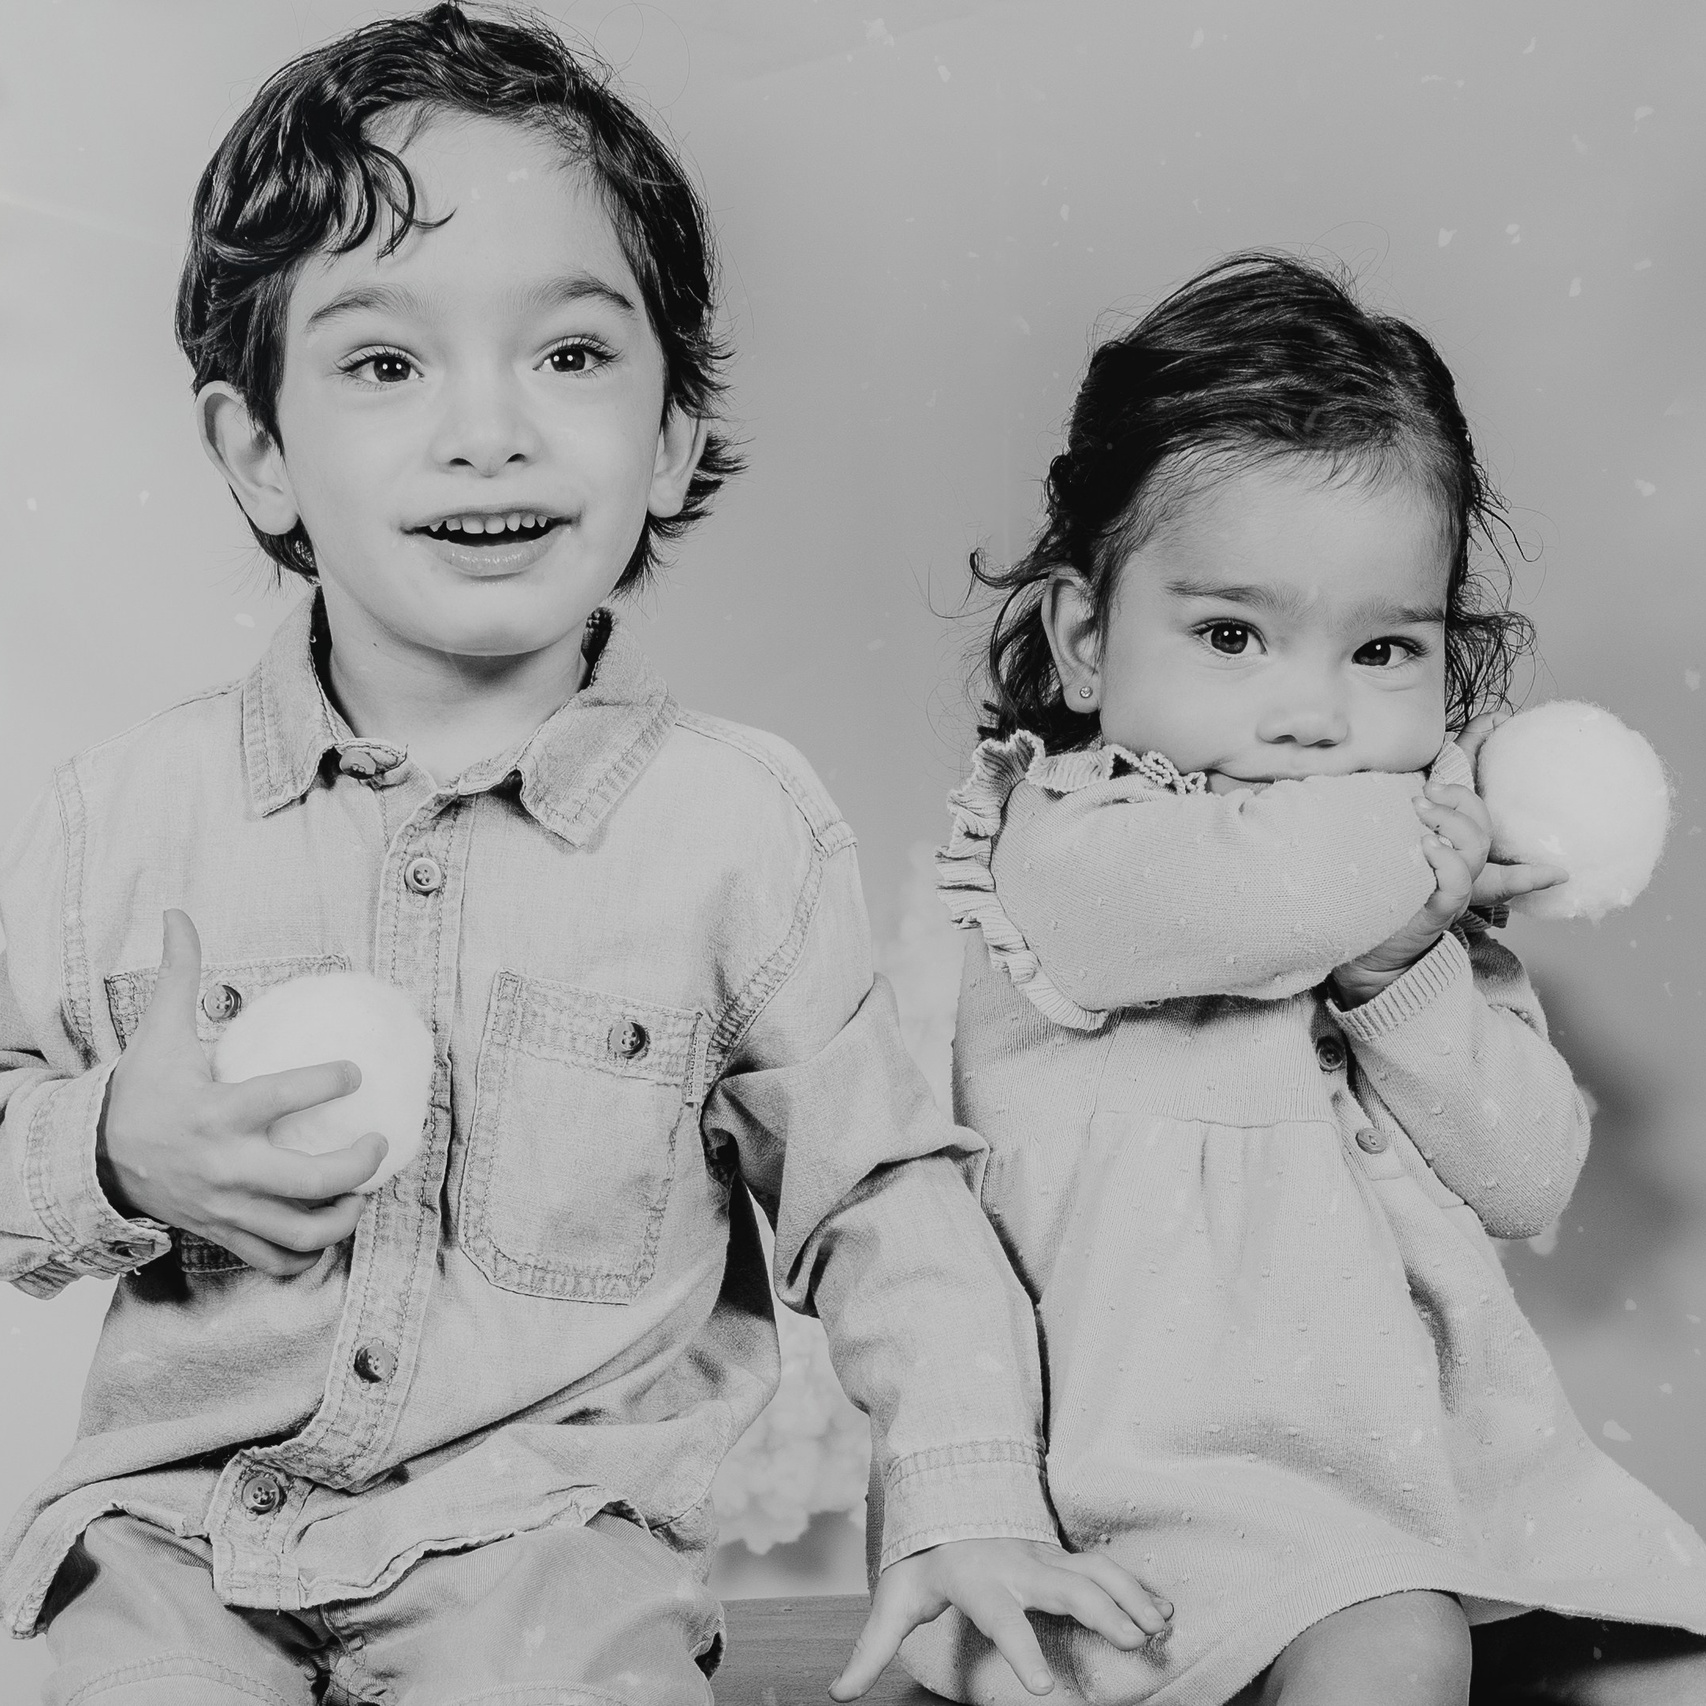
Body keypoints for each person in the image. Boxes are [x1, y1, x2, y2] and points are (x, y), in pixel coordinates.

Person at [0, 8, 1171, 1702]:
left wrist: (955, 1503)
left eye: (567, 356)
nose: (491, 431)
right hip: (177, 1542)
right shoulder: (123, 813)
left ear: (673, 441)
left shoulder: (732, 829)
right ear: (258, 453)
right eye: (385, 363)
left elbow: (880, 1193)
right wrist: (109, 1147)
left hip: (552, 1536)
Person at [910, 254, 1706, 1704]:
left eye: (1383, 648)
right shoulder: (1058, 845)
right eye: (1230, 636)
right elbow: (1269, 882)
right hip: (1139, 1491)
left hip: (1421, 1483)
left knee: (1651, 1656)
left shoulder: (1404, 912)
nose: (1312, 713)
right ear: (1086, 640)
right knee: (1392, 1644)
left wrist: (1413, 968)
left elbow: (1527, 1172)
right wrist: (1460, 811)